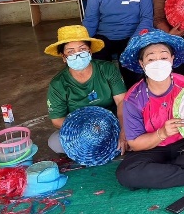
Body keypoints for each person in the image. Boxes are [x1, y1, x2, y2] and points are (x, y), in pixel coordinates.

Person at [115, 29, 184, 189]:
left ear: (172, 59)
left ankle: (163, 173)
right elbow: (135, 144)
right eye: (151, 59)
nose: (158, 62)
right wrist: (162, 133)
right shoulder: (133, 99)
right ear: (142, 64)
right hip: (151, 149)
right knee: (126, 174)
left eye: (163, 57)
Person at [44, 25, 127, 154]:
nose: (77, 55)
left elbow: (122, 101)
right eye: (71, 51)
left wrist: (123, 129)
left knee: (134, 133)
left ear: (90, 51)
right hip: (80, 129)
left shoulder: (107, 69)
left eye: (82, 49)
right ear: (63, 57)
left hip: (113, 123)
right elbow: (57, 120)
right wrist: (88, 130)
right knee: (55, 143)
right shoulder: (58, 84)